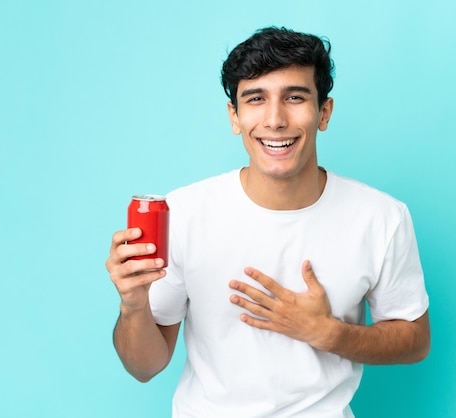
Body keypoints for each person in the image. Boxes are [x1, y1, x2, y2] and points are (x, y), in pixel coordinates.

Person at [106, 27, 430, 417]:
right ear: (235, 117)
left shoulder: (381, 217)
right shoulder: (185, 212)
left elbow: (415, 340)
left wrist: (329, 333)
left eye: (295, 97)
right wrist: (132, 305)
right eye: (256, 99)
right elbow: (144, 366)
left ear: (323, 112)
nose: (275, 120)